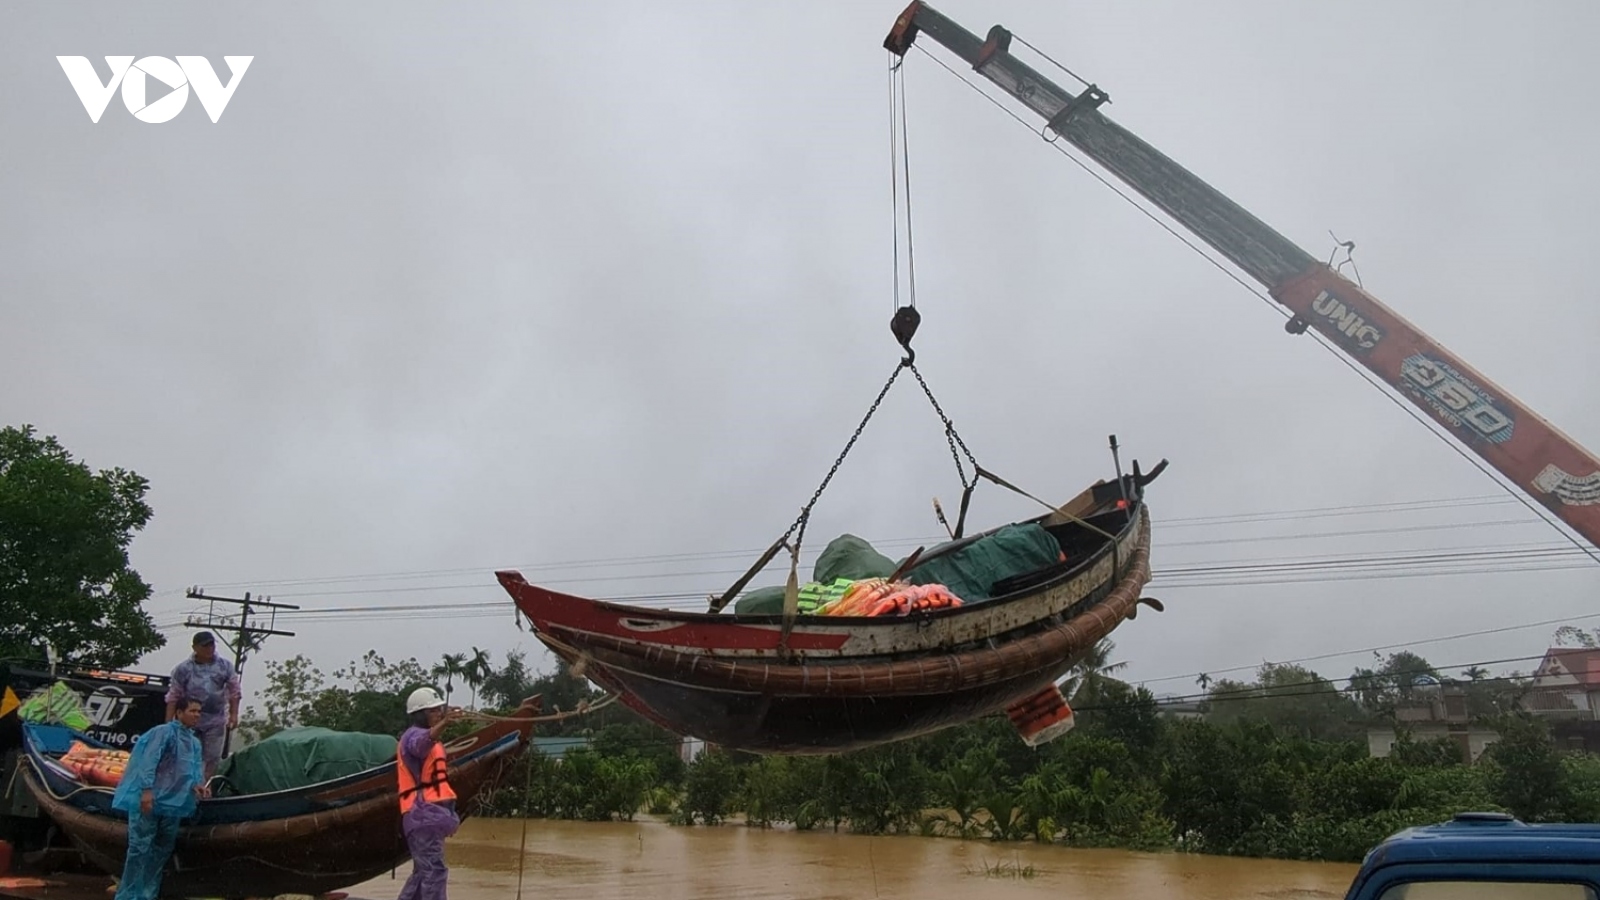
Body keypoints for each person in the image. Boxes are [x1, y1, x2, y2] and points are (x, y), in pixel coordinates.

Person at [111, 696, 207, 900]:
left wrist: (199, 785)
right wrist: (146, 790)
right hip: (151, 799)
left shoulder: (194, 743)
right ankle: (128, 895)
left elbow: (194, 768)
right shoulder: (162, 734)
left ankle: (147, 894)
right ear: (179, 713)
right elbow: (149, 761)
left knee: (162, 848)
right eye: (193, 711)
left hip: (174, 803)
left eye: (199, 711)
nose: (197, 715)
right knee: (139, 848)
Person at [396, 686, 464, 900]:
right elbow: (420, 745)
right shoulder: (413, 738)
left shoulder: (429, 738)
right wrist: (444, 723)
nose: (437, 714)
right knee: (434, 871)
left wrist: (445, 719)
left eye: (439, 710)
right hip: (422, 812)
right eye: (432, 711)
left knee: (423, 872)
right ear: (419, 714)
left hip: (427, 815)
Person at [164, 631, 241, 779]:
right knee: (189, 754)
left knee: (212, 756)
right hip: (189, 719)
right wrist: (168, 723)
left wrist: (233, 714)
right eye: (205, 645)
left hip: (215, 719)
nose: (209, 648)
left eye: (211, 644)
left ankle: (206, 786)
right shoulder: (184, 668)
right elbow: (174, 695)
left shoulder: (225, 666)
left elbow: (234, 691)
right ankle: (186, 784)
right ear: (195, 647)